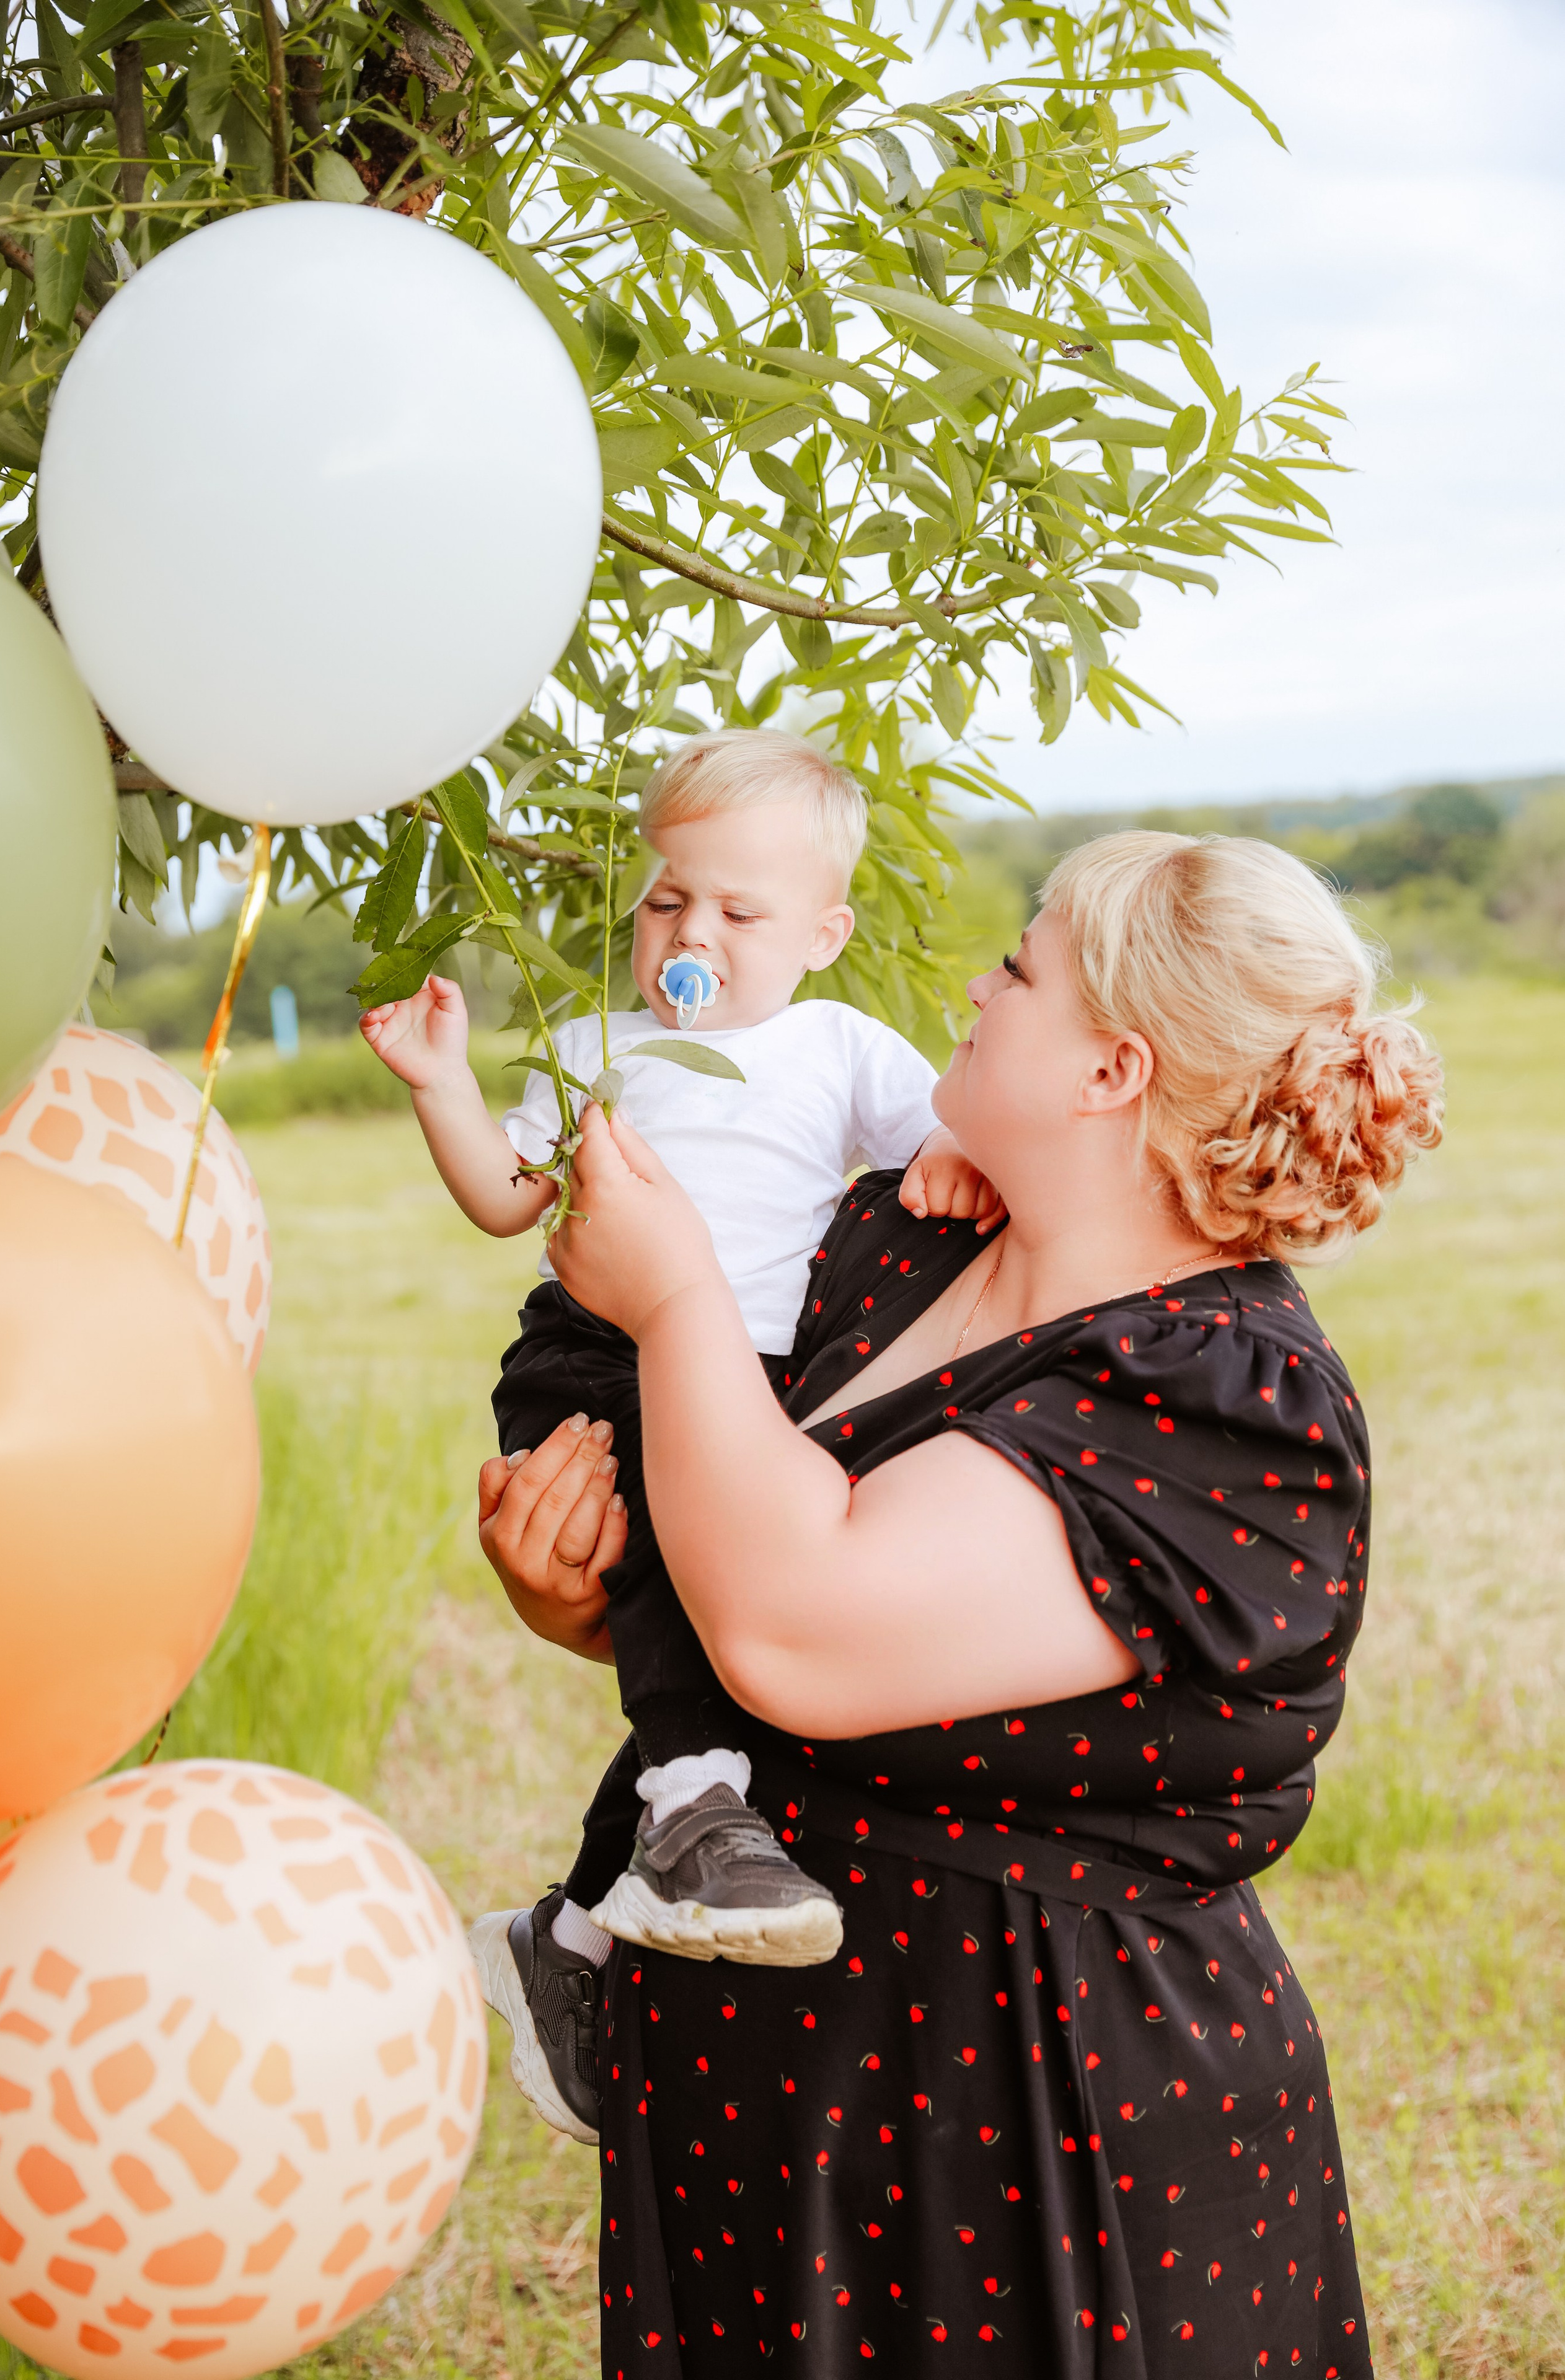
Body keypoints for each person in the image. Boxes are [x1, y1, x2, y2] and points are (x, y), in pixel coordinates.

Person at [478, 828, 1444, 2376]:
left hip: (1027, 2108)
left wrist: (671, 1298)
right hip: (756, 2085)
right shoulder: (892, 1243)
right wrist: (573, 1593)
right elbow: (718, 1579)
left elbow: (795, 1628)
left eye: (1016, 968)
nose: (975, 993)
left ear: (1112, 1071)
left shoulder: (1219, 1400)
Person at [360, 732, 1002, 2128]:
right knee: (670, 1545)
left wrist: (954, 1155)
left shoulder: (838, 1046)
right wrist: (440, 1085)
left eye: (737, 911)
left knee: (737, 1618)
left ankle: (576, 1936)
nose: (689, 936)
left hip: (752, 1380)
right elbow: (506, 1199)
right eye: (666, 900)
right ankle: (695, 1802)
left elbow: (944, 1134)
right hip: (594, 1355)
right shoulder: (603, 1046)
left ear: (823, 936)